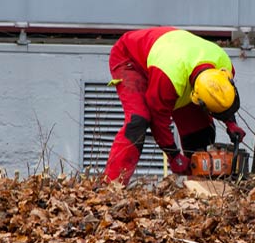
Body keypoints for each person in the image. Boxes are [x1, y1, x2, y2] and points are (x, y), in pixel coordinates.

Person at [102, 27, 246, 185]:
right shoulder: (169, 79)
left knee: (201, 129)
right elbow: (158, 120)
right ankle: (111, 185)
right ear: (195, 97)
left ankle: (198, 183)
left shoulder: (225, 66)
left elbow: (222, 96)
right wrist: (174, 155)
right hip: (131, 59)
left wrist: (231, 123)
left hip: (177, 63)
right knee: (139, 120)